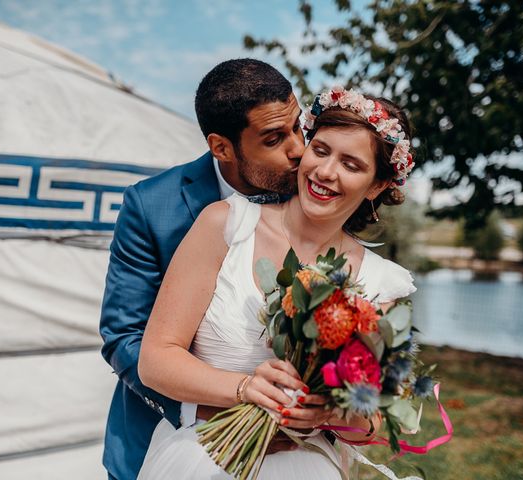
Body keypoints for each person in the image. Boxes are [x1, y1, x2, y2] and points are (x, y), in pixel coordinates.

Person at [137, 86, 417, 479]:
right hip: (203, 459)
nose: (325, 172)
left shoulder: (382, 283)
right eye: (321, 150)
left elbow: (377, 421)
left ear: (377, 186)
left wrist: (331, 411)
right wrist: (244, 388)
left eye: (351, 165)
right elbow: (155, 360)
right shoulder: (225, 225)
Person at [99, 58, 329, 480]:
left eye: (298, 127)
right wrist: (216, 405)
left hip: (291, 451)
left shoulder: (313, 194)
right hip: (168, 442)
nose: (298, 149)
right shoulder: (152, 207)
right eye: (275, 138)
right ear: (221, 147)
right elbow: (123, 337)